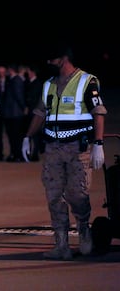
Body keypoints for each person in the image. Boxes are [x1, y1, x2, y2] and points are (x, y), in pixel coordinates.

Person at [22, 44, 107, 260]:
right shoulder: (48, 84)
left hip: (78, 147)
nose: (48, 64)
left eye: (52, 60)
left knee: (77, 194)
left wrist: (98, 143)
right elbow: (40, 112)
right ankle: (61, 244)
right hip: (53, 148)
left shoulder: (87, 81)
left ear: (63, 59)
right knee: (53, 196)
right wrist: (27, 136)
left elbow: (98, 112)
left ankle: (84, 230)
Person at [23, 64, 44, 161]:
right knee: (30, 134)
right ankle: (31, 152)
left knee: (35, 134)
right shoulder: (29, 83)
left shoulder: (37, 83)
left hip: (35, 112)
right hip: (30, 112)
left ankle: (35, 153)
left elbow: (35, 98)